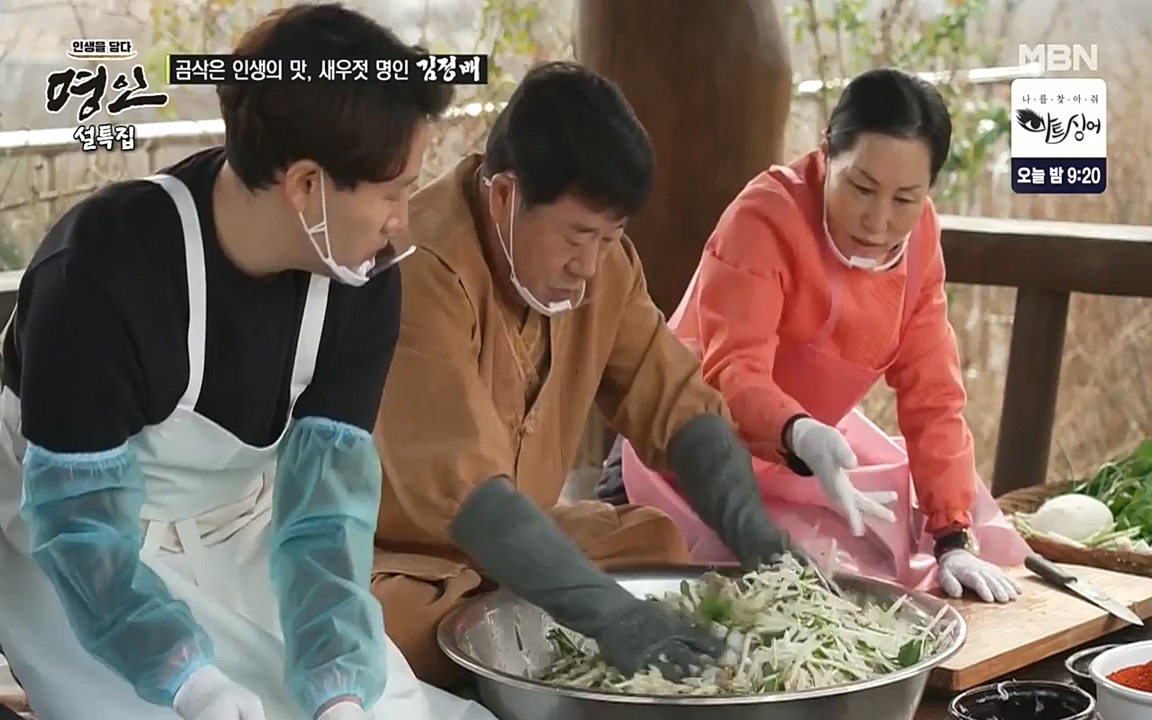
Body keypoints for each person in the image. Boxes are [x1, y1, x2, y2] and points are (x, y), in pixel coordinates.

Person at [0, 5, 496, 720]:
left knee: (382, 707)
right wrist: (190, 683)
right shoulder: (101, 274)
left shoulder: (359, 276)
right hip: (74, 552)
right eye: (393, 193)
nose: (401, 221)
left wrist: (337, 684)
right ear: (305, 187)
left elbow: (324, 515)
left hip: (238, 522)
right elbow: (80, 530)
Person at [370, 61, 807, 689]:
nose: (589, 266)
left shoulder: (603, 266)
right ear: (505, 197)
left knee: (655, 545)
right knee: (387, 631)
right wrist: (615, 617)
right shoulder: (420, 268)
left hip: (524, 547)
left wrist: (757, 535)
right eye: (577, 236)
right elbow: (470, 497)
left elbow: (677, 403)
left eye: (610, 237)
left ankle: (533, 624)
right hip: (404, 562)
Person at [597, 68, 1031, 604]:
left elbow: (934, 397)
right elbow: (732, 371)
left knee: (878, 569)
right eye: (861, 188)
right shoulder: (766, 218)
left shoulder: (920, 243)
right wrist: (798, 432)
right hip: (685, 454)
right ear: (827, 152)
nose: (878, 221)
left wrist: (952, 535)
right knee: (739, 599)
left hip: (809, 462)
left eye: (905, 199)